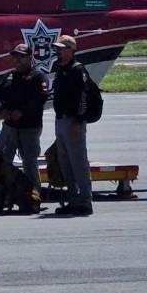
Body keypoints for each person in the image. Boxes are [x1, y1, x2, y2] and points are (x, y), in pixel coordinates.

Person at [0, 43, 50, 199]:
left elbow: (40, 99)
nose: (17, 60)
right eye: (15, 57)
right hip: (9, 127)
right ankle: (1, 198)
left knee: (29, 163)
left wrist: (22, 112)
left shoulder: (39, 77)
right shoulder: (10, 75)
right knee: (3, 163)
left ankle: (34, 197)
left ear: (30, 58)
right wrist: (2, 110)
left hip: (29, 127)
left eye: (21, 57)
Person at [50, 35, 93, 216]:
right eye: (57, 49)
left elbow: (83, 98)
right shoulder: (61, 69)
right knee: (66, 164)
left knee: (78, 164)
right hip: (60, 120)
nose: (58, 52)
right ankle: (72, 200)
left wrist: (78, 121)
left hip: (73, 122)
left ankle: (84, 202)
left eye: (61, 49)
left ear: (71, 50)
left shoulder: (77, 70)